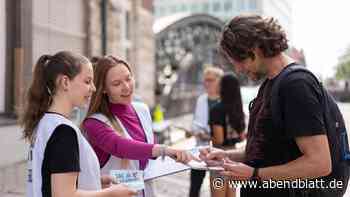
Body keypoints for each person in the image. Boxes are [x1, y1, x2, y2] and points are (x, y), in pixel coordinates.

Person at [200, 14, 347, 197]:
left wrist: (255, 175)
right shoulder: (272, 84)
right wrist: (227, 156)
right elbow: (268, 152)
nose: (238, 69)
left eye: (240, 61)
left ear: (255, 49)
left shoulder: (296, 85)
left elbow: (319, 163)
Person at [21, 51, 137, 197]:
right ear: (65, 82)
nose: (94, 88)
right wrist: (110, 193)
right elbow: (64, 194)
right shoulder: (63, 131)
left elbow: (49, 180)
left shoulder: (46, 123)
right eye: (87, 81)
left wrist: (96, 180)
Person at [82, 55, 196, 197]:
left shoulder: (142, 109)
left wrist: (178, 157)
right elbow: (121, 147)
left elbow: (149, 150)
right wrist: (165, 150)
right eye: (117, 84)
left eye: (128, 78)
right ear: (104, 89)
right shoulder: (94, 123)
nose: (127, 87)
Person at [209, 73, 246, 197]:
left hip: (219, 158)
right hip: (234, 158)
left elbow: (218, 140)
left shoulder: (217, 109)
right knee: (231, 194)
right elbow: (242, 136)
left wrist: (204, 136)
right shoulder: (238, 109)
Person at [189, 66, 223, 197]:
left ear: (219, 81)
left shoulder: (226, 101)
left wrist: (210, 135)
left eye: (210, 80)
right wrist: (195, 130)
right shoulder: (201, 99)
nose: (206, 83)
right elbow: (196, 121)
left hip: (219, 150)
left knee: (218, 187)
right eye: (205, 80)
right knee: (194, 187)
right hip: (200, 148)